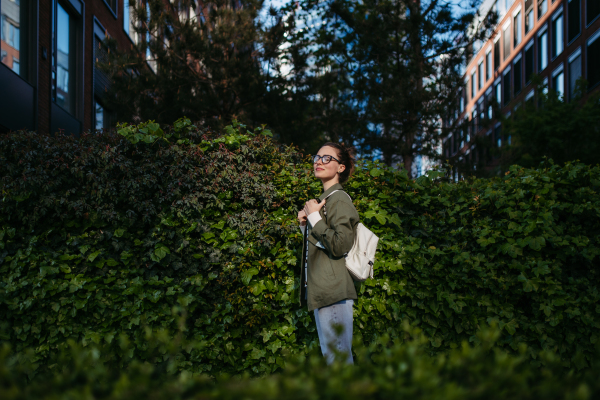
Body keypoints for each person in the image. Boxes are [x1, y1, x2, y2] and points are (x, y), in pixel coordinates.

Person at [297, 142, 360, 365]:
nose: (318, 161)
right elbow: (322, 246)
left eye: (326, 158)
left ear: (340, 167)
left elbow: (340, 244)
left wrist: (315, 218)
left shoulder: (339, 199)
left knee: (339, 362)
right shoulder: (325, 201)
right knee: (334, 360)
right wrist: (307, 225)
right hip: (324, 290)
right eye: (317, 157)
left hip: (333, 291)